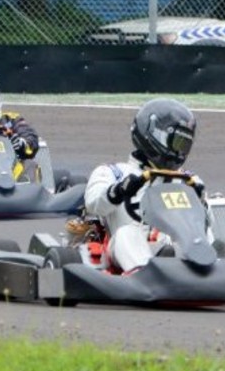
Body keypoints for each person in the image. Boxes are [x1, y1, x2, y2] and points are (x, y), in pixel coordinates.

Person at [83, 98, 207, 274]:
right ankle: (143, 274)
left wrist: (201, 200)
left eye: (184, 145)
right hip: (126, 248)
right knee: (127, 233)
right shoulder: (114, 172)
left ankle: (210, 269)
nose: (179, 151)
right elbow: (93, 204)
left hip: (175, 247)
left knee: (198, 237)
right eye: (176, 142)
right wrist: (119, 190)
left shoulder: (189, 180)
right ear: (152, 135)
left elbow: (202, 225)